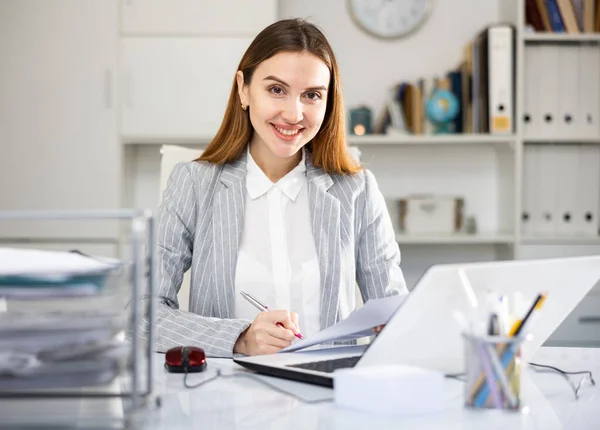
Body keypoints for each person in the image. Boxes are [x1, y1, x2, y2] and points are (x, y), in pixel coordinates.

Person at [153, 18, 407, 358]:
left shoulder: (357, 190)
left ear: (329, 101)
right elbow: (141, 314)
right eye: (276, 90)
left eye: (312, 95)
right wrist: (239, 338)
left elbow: (395, 314)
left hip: (328, 396)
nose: (294, 113)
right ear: (244, 89)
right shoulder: (194, 185)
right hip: (223, 396)